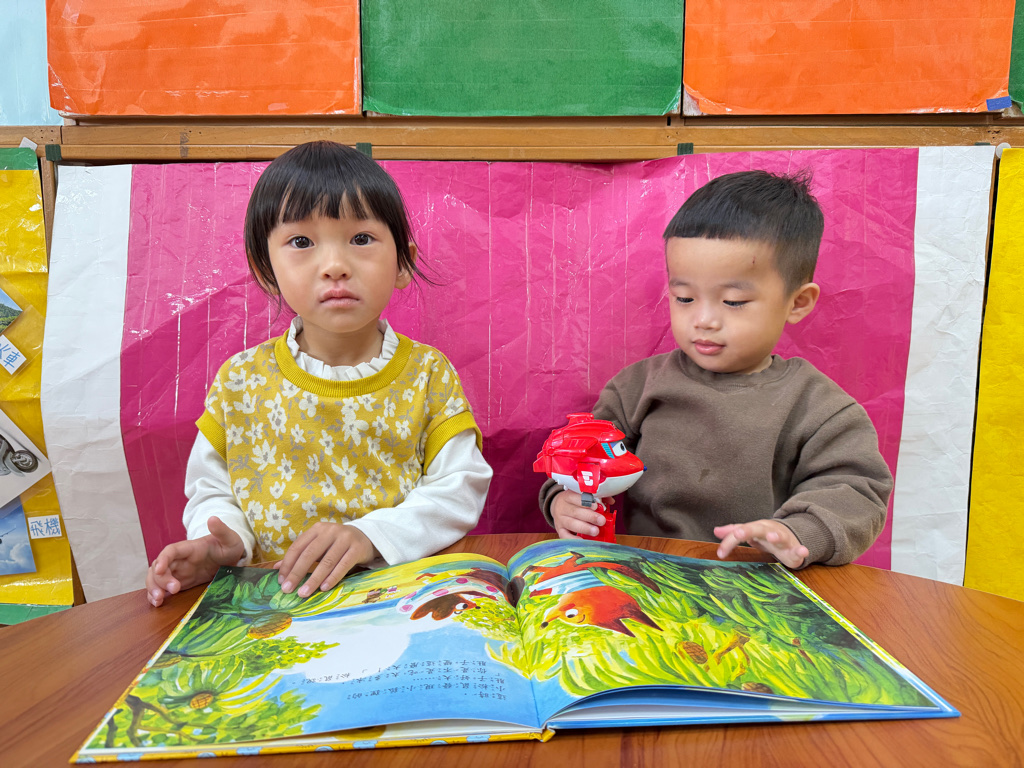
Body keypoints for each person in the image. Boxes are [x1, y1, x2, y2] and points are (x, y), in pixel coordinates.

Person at [147, 141, 492, 606]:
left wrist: (370, 535)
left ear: (403, 262)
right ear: (265, 270)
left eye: (361, 239)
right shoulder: (240, 381)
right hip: (273, 608)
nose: (335, 266)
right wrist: (221, 542)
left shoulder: (428, 374)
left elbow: (459, 488)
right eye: (301, 242)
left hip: (395, 603)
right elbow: (211, 488)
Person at [541, 170, 891, 569]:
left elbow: (855, 491)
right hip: (647, 572)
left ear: (797, 303)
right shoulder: (636, 388)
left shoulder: (819, 407)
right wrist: (564, 502)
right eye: (684, 298)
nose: (704, 320)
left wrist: (798, 532)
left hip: (756, 581)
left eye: (733, 302)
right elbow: (579, 457)